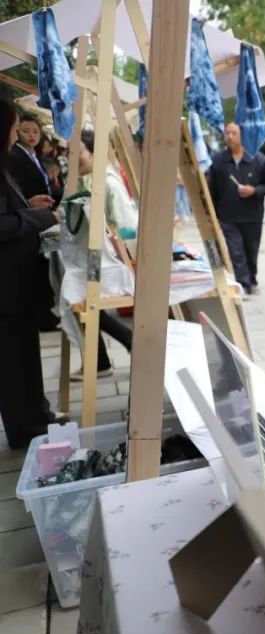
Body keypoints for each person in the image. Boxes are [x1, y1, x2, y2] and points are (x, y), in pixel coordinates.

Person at [0, 99, 64, 448]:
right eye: (14, 128)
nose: (17, 136)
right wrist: (38, 217)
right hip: (6, 286)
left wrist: (28, 206)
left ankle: (38, 416)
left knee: (25, 351)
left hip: (17, 282)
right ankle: (25, 427)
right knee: (13, 359)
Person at [72, 128, 136, 379]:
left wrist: (126, 261)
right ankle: (101, 360)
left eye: (78, 151)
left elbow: (127, 227)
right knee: (81, 302)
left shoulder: (108, 183)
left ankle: (119, 346)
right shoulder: (83, 180)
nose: (72, 156)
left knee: (84, 302)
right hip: (90, 258)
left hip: (110, 262)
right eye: (69, 151)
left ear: (93, 152)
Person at [206, 122, 265, 295]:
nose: (230, 136)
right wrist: (212, 212)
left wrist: (254, 191)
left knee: (251, 250)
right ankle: (243, 284)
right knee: (236, 251)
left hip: (252, 216)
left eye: (234, 133)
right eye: (227, 133)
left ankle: (251, 279)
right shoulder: (218, 160)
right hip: (228, 216)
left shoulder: (259, 160)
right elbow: (211, 188)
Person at [8, 115, 58, 332]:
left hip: (38, 215)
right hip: (29, 222)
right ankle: (44, 317)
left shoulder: (33, 155)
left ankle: (46, 315)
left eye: (35, 131)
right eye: (24, 130)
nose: (31, 135)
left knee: (44, 268)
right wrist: (30, 206)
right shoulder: (15, 156)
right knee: (38, 269)